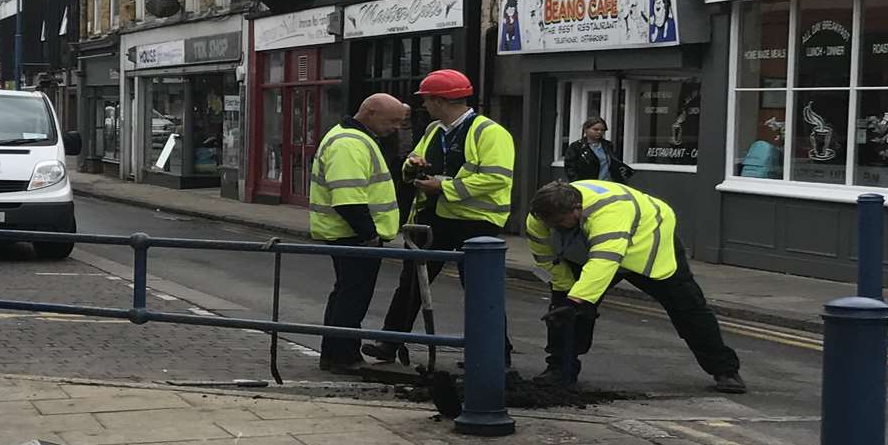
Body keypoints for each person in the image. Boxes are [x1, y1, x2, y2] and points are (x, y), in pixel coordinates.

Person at [525, 179, 746, 393]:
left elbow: (604, 261)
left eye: (559, 223)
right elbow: (545, 258)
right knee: (561, 311)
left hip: (649, 245)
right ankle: (559, 370)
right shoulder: (540, 218)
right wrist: (568, 295)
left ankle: (725, 370)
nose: (554, 228)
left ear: (577, 209)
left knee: (689, 309)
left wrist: (576, 300)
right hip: (590, 251)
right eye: (550, 224)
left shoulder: (609, 213)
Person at [364, 69, 516, 367]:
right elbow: (411, 165)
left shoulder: (489, 132)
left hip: (475, 222)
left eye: (426, 100)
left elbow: (496, 178)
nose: (423, 106)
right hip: (431, 217)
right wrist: (413, 166)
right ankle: (389, 343)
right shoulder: (434, 130)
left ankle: (495, 353)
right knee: (411, 284)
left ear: (439, 100)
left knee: (479, 289)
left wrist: (443, 187)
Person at [310, 93, 412, 374]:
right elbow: (348, 199)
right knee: (352, 297)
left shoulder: (353, 138)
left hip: (349, 233)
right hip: (352, 234)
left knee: (346, 293)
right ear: (370, 113)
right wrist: (369, 234)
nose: (396, 127)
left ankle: (335, 354)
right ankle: (343, 357)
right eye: (392, 121)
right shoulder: (349, 143)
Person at [562, 118, 631, 182]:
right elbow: (570, 168)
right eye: (595, 129)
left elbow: (615, 163)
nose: (599, 132)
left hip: (608, 183)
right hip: (587, 184)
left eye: (602, 130)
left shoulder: (608, 145)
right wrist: (577, 183)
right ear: (586, 130)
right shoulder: (576, 147)